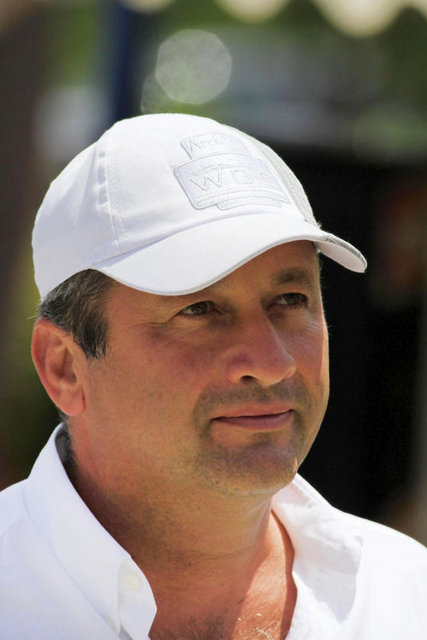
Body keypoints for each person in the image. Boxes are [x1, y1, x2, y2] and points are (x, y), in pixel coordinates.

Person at [0, 113, 425, 640]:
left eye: (291, 300)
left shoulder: (405, 597)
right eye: (199, 309)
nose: (271, 363)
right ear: (64, 366)